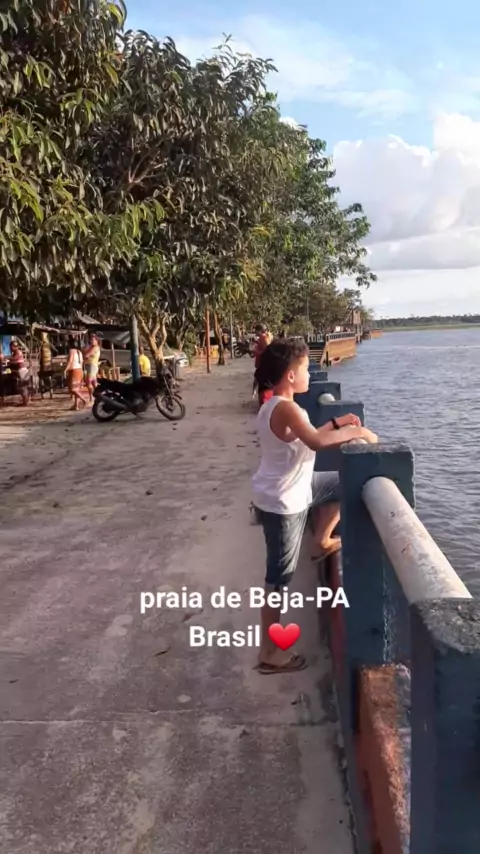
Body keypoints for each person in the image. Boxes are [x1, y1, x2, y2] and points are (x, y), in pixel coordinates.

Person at [252, 338, 378, 674]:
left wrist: (338, 423)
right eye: (306, 368)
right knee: (278, 579)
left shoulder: (276, 405)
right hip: (283, 502)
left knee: (342, 483)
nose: (310, 373)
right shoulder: (286, 407)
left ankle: (321, 540)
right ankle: (268, 652)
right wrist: (359, 432)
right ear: (291, 375)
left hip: (295, 489)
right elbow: (316, 441)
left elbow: (304, 437)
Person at [253, 323, 273, 404]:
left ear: (260, 330)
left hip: (263, 364)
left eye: (256, 330)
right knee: (257, 379)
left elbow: (267, 351)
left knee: (259, 381)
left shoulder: (265, 339)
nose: (255, 332)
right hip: (261, 363)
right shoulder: (262, 338)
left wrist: (257, 352)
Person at [65, 337, 86, 410]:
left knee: (72, 389)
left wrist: (65, 370)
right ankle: (76, 406)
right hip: (80, 370)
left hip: (74, 371)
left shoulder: (71, 351)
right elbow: (82, 363)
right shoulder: (79, 352)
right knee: (77, 389)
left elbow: (70, 361)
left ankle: (83, 399)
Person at [9, 341, 30, 406]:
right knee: (21, 387)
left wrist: (6, 358)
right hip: (19, 371)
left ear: (13, 346)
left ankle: (25, 402)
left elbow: (14, 359)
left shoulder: (18, 352)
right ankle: (25, 401)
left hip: (22, 371)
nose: (10, 348)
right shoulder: (14, 353)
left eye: (11, 347)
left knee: (22, 387)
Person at [83, 333, 101, 402]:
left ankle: (92, 397)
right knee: (94, 382)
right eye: (91, 340)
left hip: (92, 365)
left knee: (89, 382)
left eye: (93, 340)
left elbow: (86, 355)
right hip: (90, 365)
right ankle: (98, 395)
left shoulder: (95, 347)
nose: (91, 341)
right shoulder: (91, 347)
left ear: (97, 340)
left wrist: (86, 354)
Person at [38, 332, 53, 398]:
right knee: (49, 379)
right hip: (49, 365)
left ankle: (43, 394)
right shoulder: (49, 345)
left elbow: (40, 356)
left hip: (43, 366)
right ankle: (50, 392)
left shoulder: (42, 346)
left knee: (41, 380)